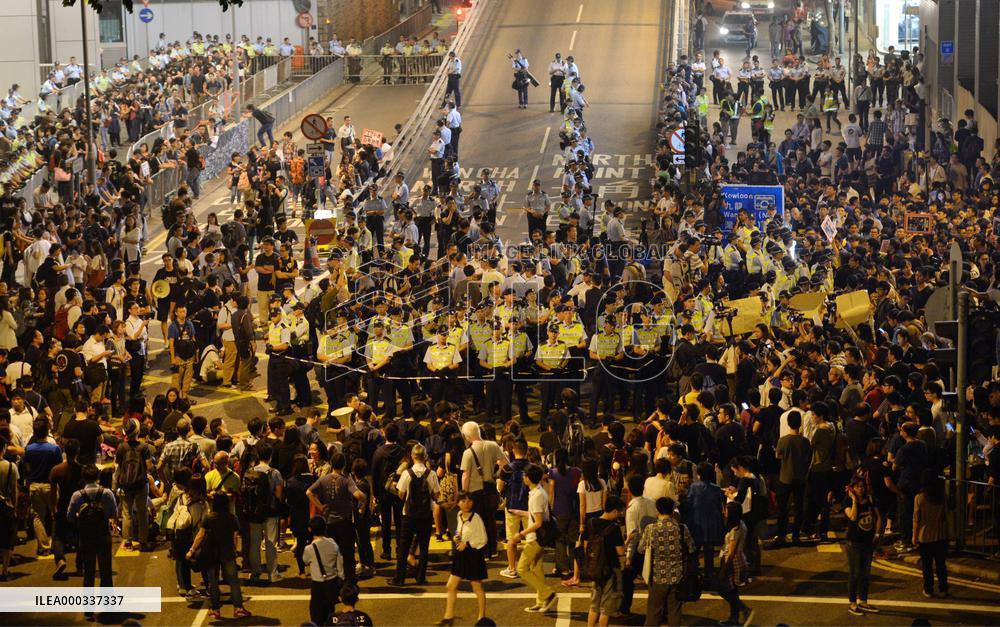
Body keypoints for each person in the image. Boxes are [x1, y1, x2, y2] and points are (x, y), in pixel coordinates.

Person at [189, 493, 250, 619]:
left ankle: (215, 609)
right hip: (228, 552)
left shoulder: (208, 518)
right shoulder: (232, 518)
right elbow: (235, 537)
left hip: (212, 553)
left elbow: (200, 535)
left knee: (213, 581)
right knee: (233, 581)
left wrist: (192, 550)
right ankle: (238, 608)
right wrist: (234, 550)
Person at [639, 496, 694, 627]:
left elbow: (641, 549)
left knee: (654, 611)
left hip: (657, 577)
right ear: (672, 510)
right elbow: (691, 548)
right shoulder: (682, 528)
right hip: (677, 576)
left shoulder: (651, 528)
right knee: (675, 611)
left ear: (657, 510)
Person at [67, 464, 117, 609]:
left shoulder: (77, 495)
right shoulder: (107, 493)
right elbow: (114, 513)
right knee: (105, 571)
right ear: (98, 477)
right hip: (103, 535)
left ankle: (89, 608)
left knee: (88, 572)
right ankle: (107, 605)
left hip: (85, 536)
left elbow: (70, 517)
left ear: (83, 478)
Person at [392, 443, 440, 586]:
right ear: (425, 457)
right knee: (424, 547)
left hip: (409, 515)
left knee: (404, 547)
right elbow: (436, 495)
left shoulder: (407, 474)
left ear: (413, 456)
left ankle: (399, 578)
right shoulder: (431, 474)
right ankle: (420, 577)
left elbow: (401, 495)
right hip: (425, 515)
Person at [514, 463, 559, 613]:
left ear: (528, 478)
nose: (523, 477)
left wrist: (520, 534)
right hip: (537, 537)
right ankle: (541, 601)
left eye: (524, 475)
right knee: (536, 568)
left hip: (535, 538)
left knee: (522, 568)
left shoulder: (537, 496)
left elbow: (538, 523)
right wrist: (522, 513)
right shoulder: (537, 492)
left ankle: (547, 593)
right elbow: (536, 515)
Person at [438, 492, 488, 626]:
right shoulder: (459, 515)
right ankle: (449, 616)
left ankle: (482, 618)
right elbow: (459, 530)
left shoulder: (476, 518)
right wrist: (456, 536)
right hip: (461, 555)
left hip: (473, 555)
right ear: (458, 503)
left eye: (469, 501)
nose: (467, 504)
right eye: (463, 501)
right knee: (451, 586)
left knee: (477, 587)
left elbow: (483, 539)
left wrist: (467, 544)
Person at [584, 496, 626, 627]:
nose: (620, 515)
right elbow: (620, 551)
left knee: (594, 605)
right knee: (606, 608)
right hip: (611, 569)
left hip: (594, 567)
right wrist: (628, 540)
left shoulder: (591, 523)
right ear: (614, 511)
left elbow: (585, 545)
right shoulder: (614, 527)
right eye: (620, 512)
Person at [844, 473, 881, 615]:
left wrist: (877, 534)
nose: (861, 489)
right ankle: (852, 603)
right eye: (858, 486)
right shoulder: (848, 501)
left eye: (862, 486)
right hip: (854, 543)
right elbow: (853, 517)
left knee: (865, 574)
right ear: (852, 488)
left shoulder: (870, 499)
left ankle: (863, 601)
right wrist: (854, 500)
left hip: (868, 542)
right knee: (855, 574)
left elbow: (878, 517)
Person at [913, 470, 949, 598]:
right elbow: (946, 515)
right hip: (940, 534)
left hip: (925, 535)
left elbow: (916, 519)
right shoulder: (942, 496)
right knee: (941, 564)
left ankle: (928, 589)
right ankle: (943, 588)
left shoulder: (919, 498)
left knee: (927, 565)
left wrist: (914, 536)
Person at [716, 502, 753, 626]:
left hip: (733, 562)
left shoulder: (735, 530)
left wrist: (724, 570)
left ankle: (743, 610)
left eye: (726, 510)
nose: (724, 512)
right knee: (732, 591)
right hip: (737, 560)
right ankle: (734, 618)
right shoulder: (740, 524)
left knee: (724, 589)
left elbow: (731, 553)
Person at [304, 516, 345, 625]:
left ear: (310, 529)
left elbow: (305, 560)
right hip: (331, 583)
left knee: (316, 615)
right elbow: (340, 565)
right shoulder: (333, 543)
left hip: (317, 585)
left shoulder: (309, 548)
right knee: (330, 613)